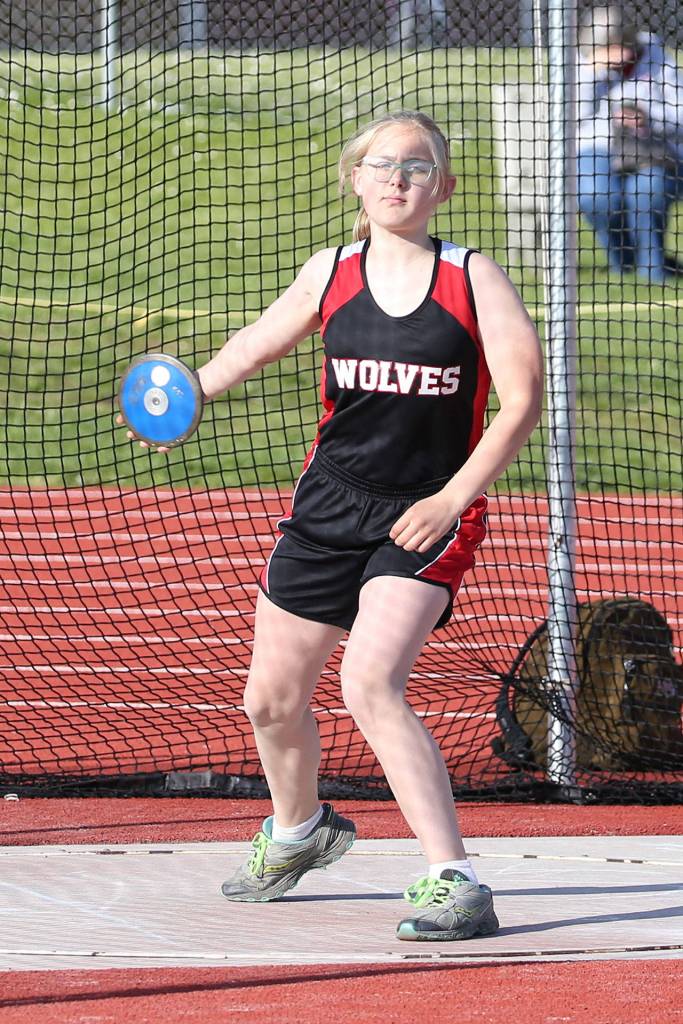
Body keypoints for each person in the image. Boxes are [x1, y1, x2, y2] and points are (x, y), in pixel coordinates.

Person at [121, 110, 543, 941]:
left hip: (426, 513)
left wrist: (452, 498)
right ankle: (300, 831)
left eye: (417, 167)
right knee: (270, 702)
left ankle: (452, 877)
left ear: (443, 188)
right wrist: (186, 394)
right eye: (382, 164)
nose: (397, 178)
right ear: (354, 179)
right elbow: (252, 344)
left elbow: (521, 402)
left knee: (369, 682)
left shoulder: (472, 277)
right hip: (328, 506)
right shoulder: (332, 270)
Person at [577, 4, 683, 283]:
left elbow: (680, 111)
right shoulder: (581, 59)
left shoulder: (654, 51)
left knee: (648, 190)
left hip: (652, 149)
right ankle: (622, 266)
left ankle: (654, 272)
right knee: (597, 196)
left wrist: (649, 118)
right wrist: (593, 71)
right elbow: (571, 116)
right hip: (595, 147)